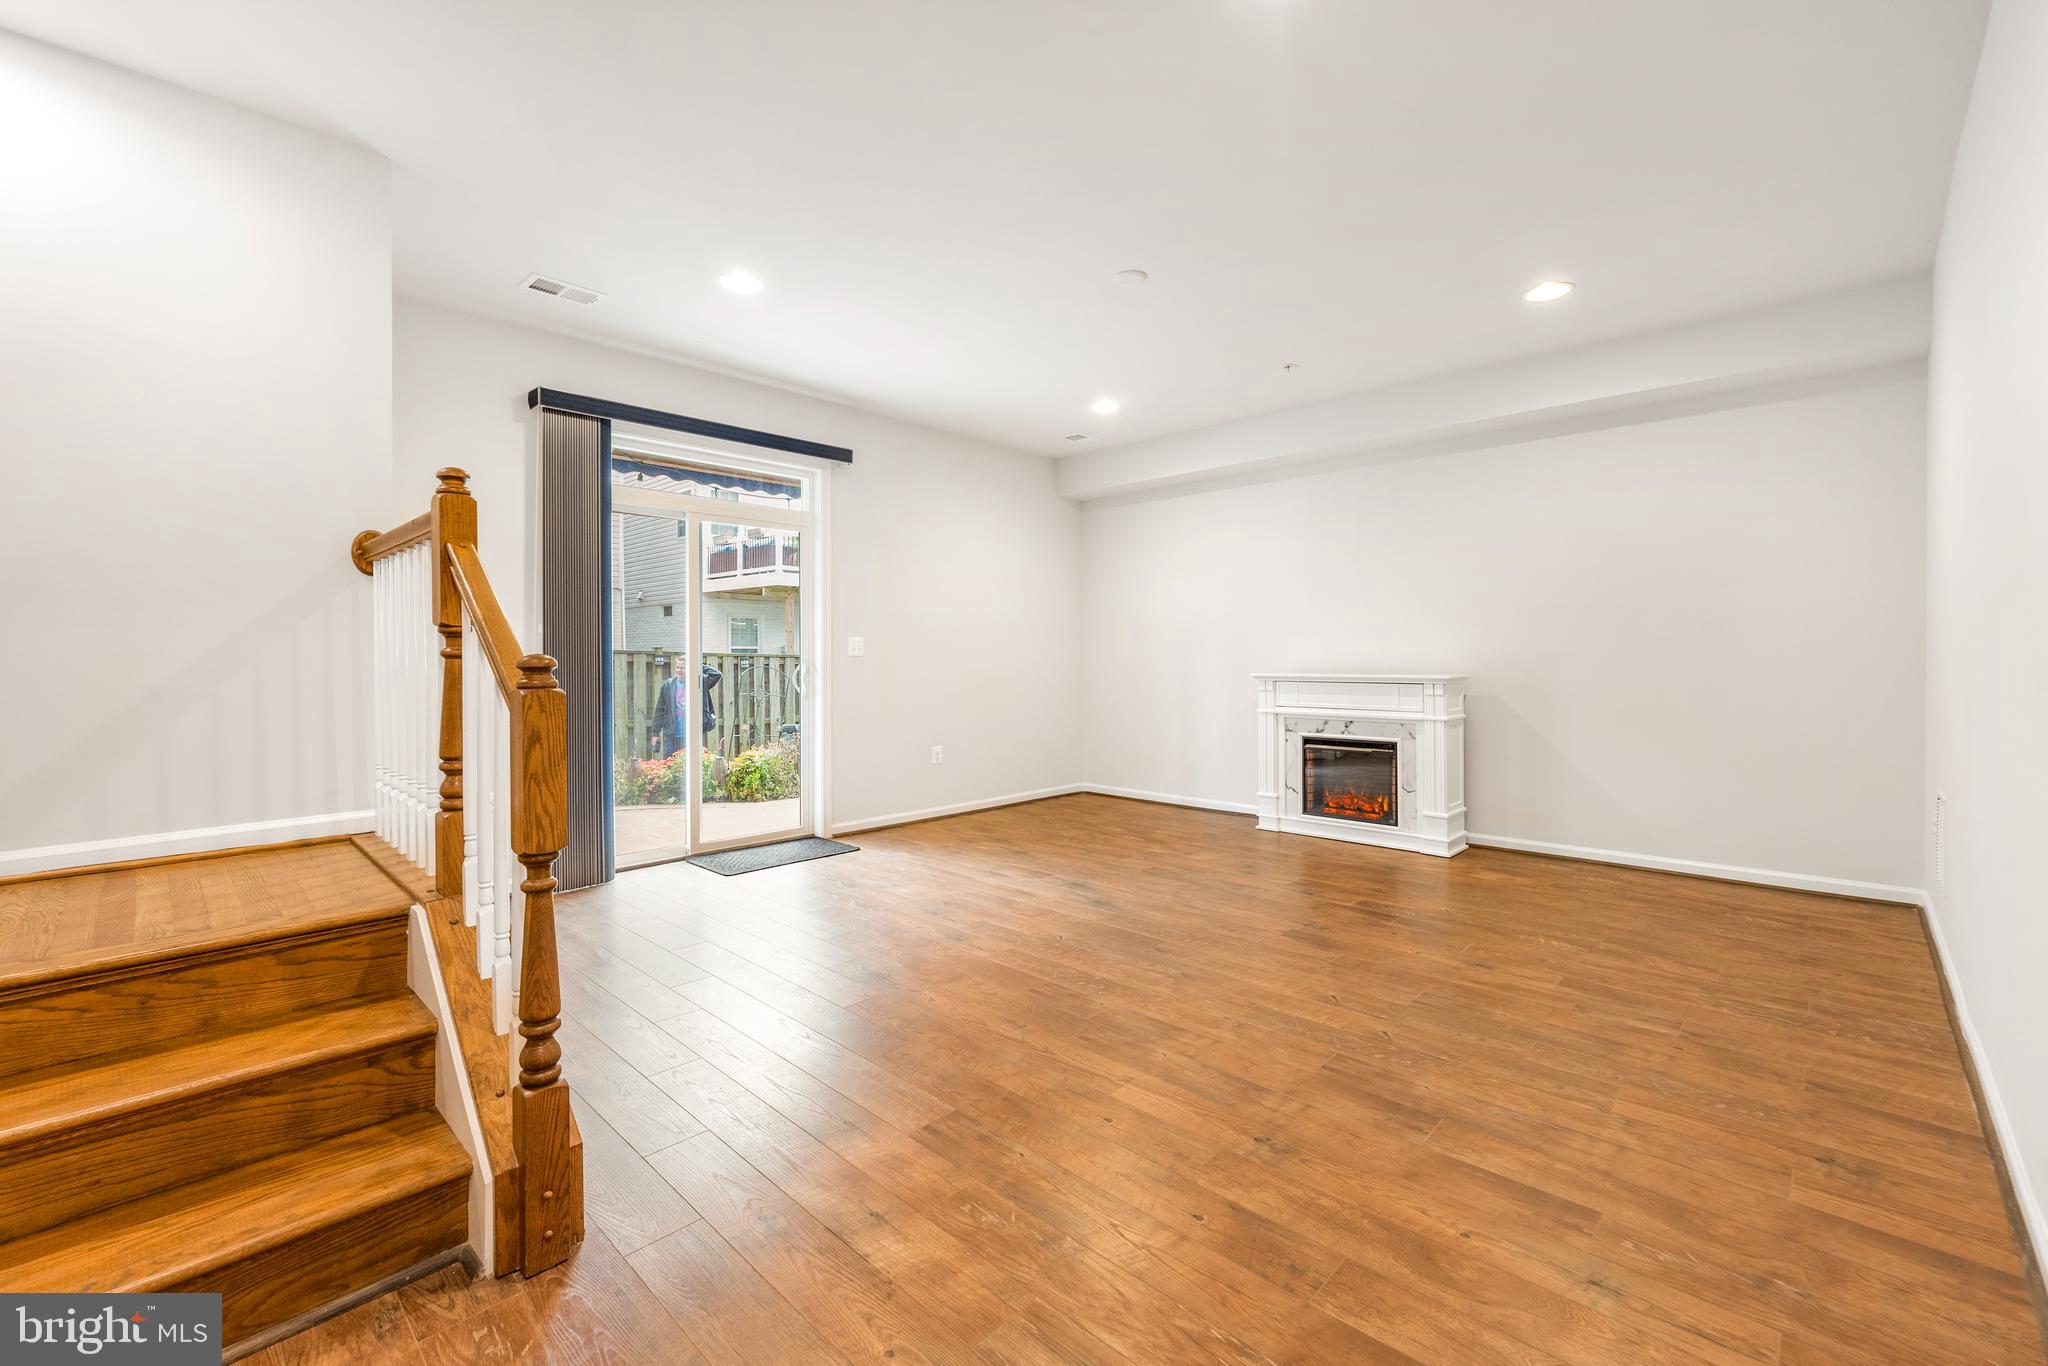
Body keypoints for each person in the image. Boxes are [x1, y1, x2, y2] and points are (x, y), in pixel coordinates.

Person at [649, 655, 723, 758]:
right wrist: (655, 733)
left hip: (692, 734)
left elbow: (717, 675)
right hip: (671, 736)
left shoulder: (700, 682)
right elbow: (660, 711)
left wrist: (698, 666)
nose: (679, 670)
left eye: (682, 668)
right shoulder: (667, 685)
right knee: (671, 765)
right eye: (677, 667)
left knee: (693, 763)